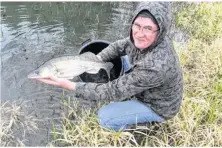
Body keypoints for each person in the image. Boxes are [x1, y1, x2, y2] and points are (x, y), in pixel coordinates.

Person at [36, 2, 184, 131]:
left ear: (159, 30)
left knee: (105, 117)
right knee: (125, 58)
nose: (139, 34)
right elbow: (119, 46)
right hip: (145, 80)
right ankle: (130, 92)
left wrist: (70, 85)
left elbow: (111, 91)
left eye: (148, 29)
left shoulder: (155, 66)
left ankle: (143, 125)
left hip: (158, 106)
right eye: (137, 25)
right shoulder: (148, 38)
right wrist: (97, 59)